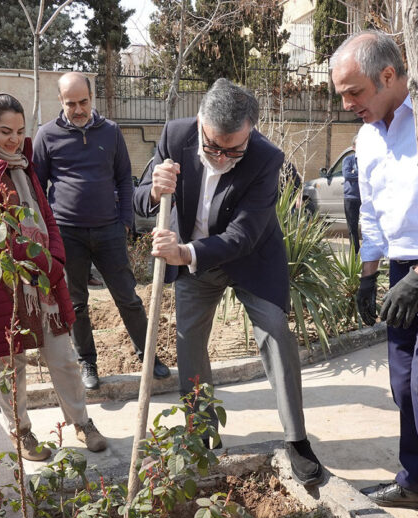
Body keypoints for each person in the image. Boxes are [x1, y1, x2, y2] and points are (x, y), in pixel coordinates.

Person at [133, 78, 324, 487]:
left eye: (232, 149)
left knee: (275, 333)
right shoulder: (174, 136)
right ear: (200, 122)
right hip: (197, 265)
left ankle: (297, 439)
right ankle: (201, 434)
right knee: (189, 342)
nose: (221, 157)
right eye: (213, 147)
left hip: (251, 259)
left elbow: (243, 236)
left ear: (251, 131)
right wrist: (154, 190)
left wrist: (185, 253)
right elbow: (135, 200)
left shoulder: (266, 158)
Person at [0, 93, 107, 461]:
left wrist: (54, 259)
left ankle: (82, 423)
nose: (13, 139)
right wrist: (37, 262)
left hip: (42, 279)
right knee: (10, 361)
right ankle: (20, 432)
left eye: (20, 131)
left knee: (62, 356)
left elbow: (46, 216)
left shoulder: (23, 163)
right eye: (5, 130)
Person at [32, 72, 170, 390]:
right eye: (71, 103)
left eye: (83, 101)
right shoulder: (46, 135)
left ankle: (148, 356)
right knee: (76, 303)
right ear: (60, 102)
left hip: (109, 230)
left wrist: (125, 222)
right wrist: (48, 231)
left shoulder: (110, 132)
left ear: (91, 98)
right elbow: (38, 187)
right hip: (67, 233)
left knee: (128, 297)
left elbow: (125, 178)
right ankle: (87, 364)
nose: (78, 109)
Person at [332, 31, 418, 508]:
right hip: (401, 272)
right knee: (403, 385)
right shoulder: (367, 138)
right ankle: (413, 481)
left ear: (388, 75)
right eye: (341, 93)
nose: (347, 104)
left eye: (354, 91)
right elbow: (370, 213)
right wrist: (368, 277)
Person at [342, 137, 361, 253]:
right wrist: (362, 174)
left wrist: (355, 173)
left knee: (370, 228)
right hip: (351, 198)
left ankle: (370, 255)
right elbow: (347, 175)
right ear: (354, 147)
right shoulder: (348, 160)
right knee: (352, 227)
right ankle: (355, 254)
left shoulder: (369, 160)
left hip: (366, 198)